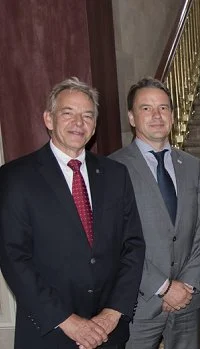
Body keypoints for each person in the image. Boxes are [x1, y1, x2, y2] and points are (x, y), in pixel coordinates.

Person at [0, 77, 145, 349]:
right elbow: (14, 258)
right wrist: (67, 321)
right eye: (68, 113)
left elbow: (133, 247)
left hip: (108, 332)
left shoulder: (116, 175)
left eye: (87, 115)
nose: (79, 122)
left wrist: (113, 313)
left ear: (94, 126)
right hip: (49, 331)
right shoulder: (16, 177)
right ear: (48, 119)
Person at [109, 77, 200, 349]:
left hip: (187, 300)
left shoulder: (193, 166)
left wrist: (186, 284)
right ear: (131, 117)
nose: (156, 116)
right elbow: (115, 241)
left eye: (163, 108)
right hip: (138, 303)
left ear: (173, 116)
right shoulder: (112, 169)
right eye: (146, 108)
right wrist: (164, 287)